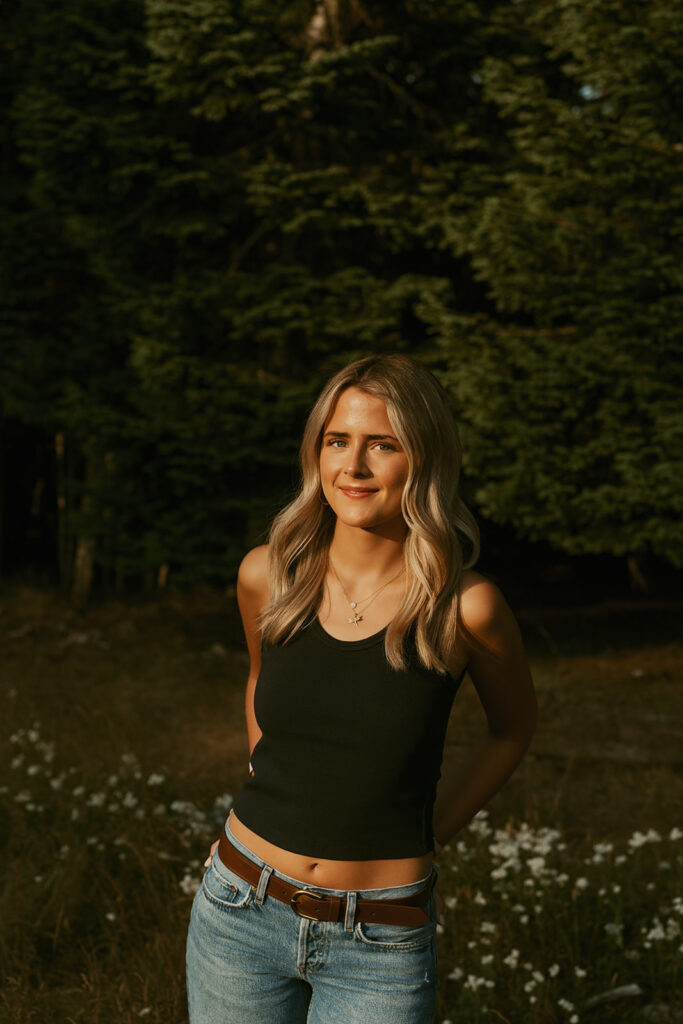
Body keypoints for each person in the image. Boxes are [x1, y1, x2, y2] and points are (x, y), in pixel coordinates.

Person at [186, 354, 537, 1024]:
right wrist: (264, 783)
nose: (353, 466)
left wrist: (429, 836)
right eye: (336, 440)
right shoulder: (268, 575)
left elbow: (512, 729)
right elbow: (260, 677)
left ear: (424, 458)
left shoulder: (467, 609)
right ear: (315, 453)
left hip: (380, 940)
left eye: (382, 444)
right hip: (238, 911)